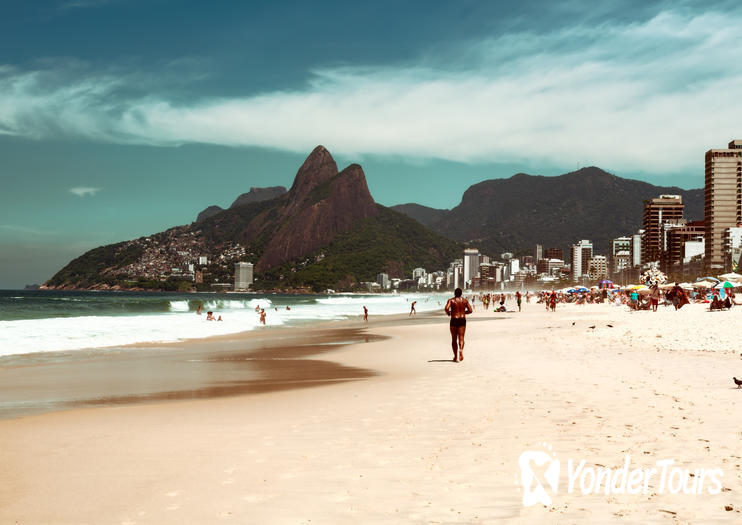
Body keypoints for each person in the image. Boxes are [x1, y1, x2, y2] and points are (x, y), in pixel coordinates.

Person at [445, 288, 472, 362]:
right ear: (461, 294)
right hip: (462, 319)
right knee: (461, 337)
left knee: (454, 339)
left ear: (454, 293)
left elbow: (446, 308)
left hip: (454, 319)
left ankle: (455, 356)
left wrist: (449, 313)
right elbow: (470, 310)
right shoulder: (464, 301)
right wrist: (463, 312)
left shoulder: (451, 300)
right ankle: (460, 350)